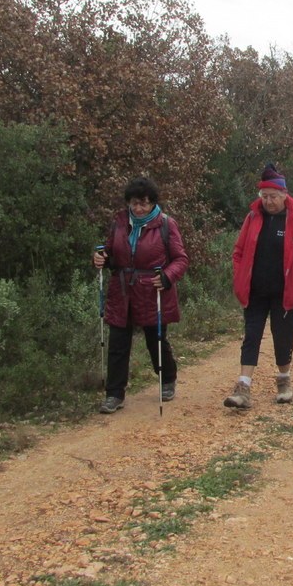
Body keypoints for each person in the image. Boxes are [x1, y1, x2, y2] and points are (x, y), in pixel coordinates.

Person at [225, 164, 293, 409]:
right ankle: (243, 388)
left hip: (286, 293)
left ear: (284, 195)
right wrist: (240, 279)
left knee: (283, 338)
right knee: (251, 336)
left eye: (273, 197)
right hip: (255, 291)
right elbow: (238, 252)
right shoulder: (253, 217)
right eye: (264, 196)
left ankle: (284, 381)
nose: (269, 201)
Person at [93, 176, 189, 413]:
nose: (138, 208)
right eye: (134, 203)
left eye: (143, 203)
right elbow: (110, 251)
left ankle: (167, 378)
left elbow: (180, 259)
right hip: (123, 291)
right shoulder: (119, 223)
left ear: (152, 203)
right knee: (117, 343)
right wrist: (101, 257)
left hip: (152, 291)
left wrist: (166, 277)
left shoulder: (166, 224)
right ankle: (114, 394)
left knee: (155, 340)